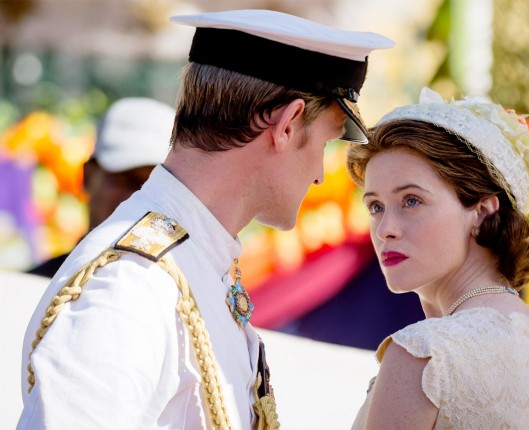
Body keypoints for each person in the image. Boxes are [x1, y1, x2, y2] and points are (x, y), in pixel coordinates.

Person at [17, 9, 393, 430]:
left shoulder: (188, 259)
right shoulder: (130, 284)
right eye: (325, 142)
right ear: (287, 124)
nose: (320, 174)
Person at [347, 87, 529, 429]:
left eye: (411, 201)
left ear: (482, 211)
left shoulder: (423, 354)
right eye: (376, 207)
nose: (385, 229)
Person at [27, 97, 175, 278]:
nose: (138, 197)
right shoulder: (32, 287)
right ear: (88, 176)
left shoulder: (183, 293)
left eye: (154, 186)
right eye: (126, 179)